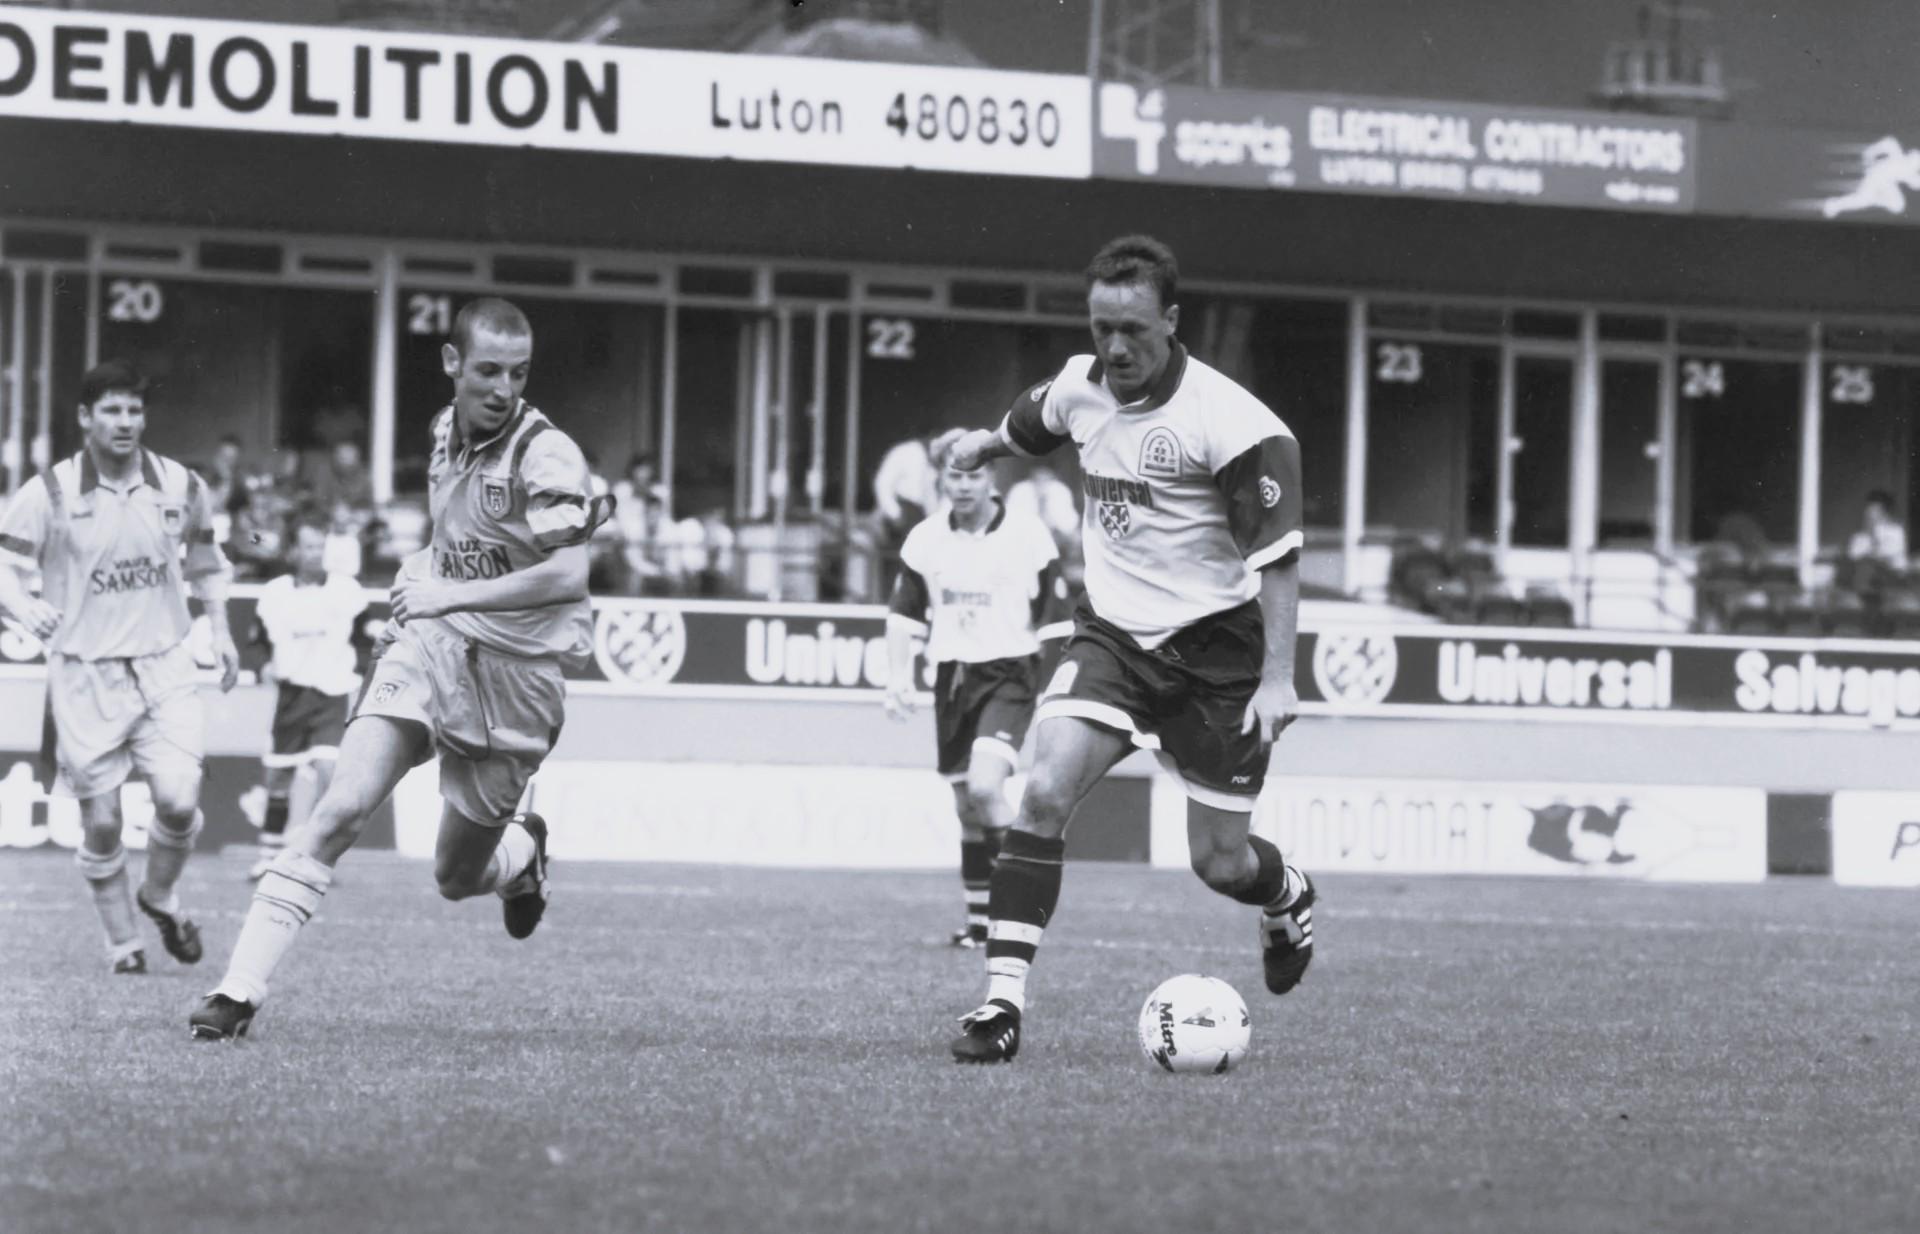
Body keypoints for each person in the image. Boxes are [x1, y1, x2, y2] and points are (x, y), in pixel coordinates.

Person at [191, 297, 609, 1040]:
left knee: (455, 877)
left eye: (518, 374)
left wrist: (449, 591)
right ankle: (237, 991)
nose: (503, 389)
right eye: (488, 370)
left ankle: (521, 856)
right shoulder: (445, 431)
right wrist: (422, 586)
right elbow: (454, 538)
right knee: (341, 807)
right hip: (431, 647)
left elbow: (568, 574)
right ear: (452, 363)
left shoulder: (546, 455)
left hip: (517, 680)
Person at [940, 235, 1314, 1064]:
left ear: (1171, 321)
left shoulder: (1236, 424)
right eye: (1102, 328)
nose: (1115, 348)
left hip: (1217, 655)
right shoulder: (1081, 387)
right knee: (1043, 793)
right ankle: (1000, 1006)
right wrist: (980, 447)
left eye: (1134, 330)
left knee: (1220, 864)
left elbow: (1279, 559)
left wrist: (1278, 680)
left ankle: (1285, 894)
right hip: (1112, 638)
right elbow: (1027, 423)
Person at [0, 358, 241, 975]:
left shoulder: (180, 484)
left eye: (134, 409)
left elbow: (208, 564)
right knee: (103, 821)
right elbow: (4, 567)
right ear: (86, 417)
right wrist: (22, 605)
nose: (125, 421)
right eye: (111, 410)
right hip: (85, 674)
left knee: (179, 801)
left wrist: (220, 630)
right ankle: (123, 946)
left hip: (166, 665)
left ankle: (159, 895)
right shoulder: (50, 491)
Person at [883, 431, 1070, 949]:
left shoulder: (1028, 535)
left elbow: (1056, 622)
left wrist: (1053, 691)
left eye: (974, 475)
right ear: (941, 480)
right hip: (952, 678)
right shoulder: (925, 539)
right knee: (967, 806)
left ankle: (1023, 908)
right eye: (955, 475)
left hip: (1011, 674)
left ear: (992, 478)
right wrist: (898, 676)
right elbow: (903, 615)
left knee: (987, 788)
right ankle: (980, 924)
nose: (964, 485)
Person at [244, 510, 373, 881]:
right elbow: (257, 641)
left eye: (321, 546)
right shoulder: (275, 594)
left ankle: (312, 857)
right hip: (292, 695)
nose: (316, 554)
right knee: (278, 777)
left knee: (328, 774)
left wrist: (361, 669)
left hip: (332, 693)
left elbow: (364, 636)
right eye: (309, 547)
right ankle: (268, 856)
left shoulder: (346, 591)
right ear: (294, 552)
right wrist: (264, 666)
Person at [1843, 488, 1908, 592]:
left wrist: (1873, 539)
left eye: (1875, 510)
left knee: (1867, 566)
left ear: (1885, 512)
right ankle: (1863, 593)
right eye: (1868, 510)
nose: (1870, 514)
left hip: (1892, 575)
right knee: (1862, 567)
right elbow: (1852, 555)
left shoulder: (1895, 531)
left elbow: (1887, 555)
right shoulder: (1859, 536)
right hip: (1867, 577)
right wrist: (1868, 537)